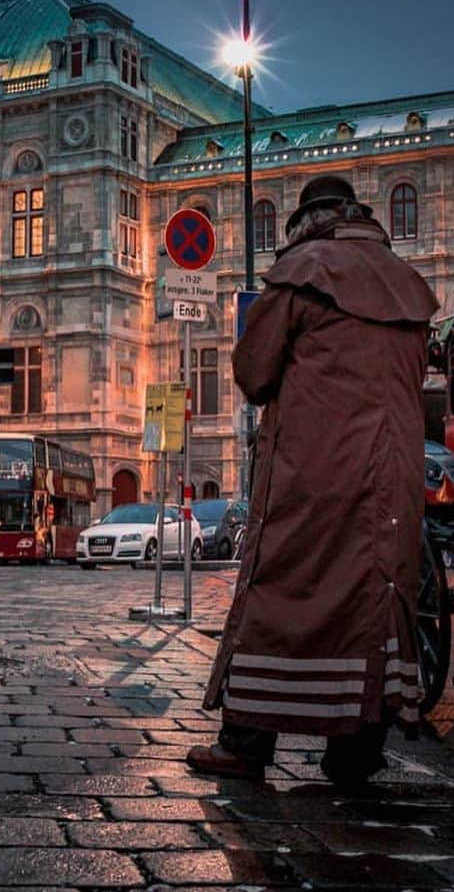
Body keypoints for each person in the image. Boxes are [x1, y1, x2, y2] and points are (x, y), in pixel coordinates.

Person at [187, 175, 438, 786]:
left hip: (314, 466)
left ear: (307, 220)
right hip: (396, 474)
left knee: (284, 585)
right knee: (377, 594)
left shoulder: (303, 272)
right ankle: (355, 752)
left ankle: (246, 744)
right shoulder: (407, 284)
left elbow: (254, 372)